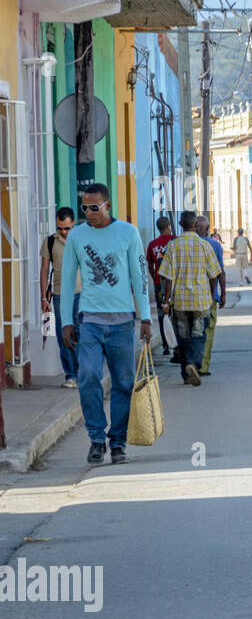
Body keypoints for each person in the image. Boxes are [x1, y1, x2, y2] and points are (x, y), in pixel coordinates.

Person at [60, 184, 152, 465]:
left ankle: (118, 442)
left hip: (123, 322)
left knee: (124, 383)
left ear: (107, 205)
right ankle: (96, 438)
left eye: (94, 208)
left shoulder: (127, 233)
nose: (89, 213)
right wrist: (66, 321)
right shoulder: (76, 235)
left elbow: (139, 276)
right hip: (89, 321)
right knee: (87, 376)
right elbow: (66, 281)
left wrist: (145, 316)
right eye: (84, 208)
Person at [158, 210, 222, 387]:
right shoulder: (205, 246)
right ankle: (194, 365)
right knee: (199, 335)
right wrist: (211, 295)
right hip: (201, 301)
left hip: (179, 302)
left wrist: (165, 300)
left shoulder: (173, 246)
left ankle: (186, 373)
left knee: (183, 337)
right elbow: (214, 274)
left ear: (180, 225)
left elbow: (167, 277)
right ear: (195, 226)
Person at [40, 206, 80, 386]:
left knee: (81, 334)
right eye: (60, 228)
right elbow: (44, 270)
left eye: (67, 228)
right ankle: (70, 374)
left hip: (81, 294)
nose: (63, 232)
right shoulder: (49, 242)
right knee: (64, 335)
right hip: (58, 295)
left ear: (73, 224)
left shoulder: (81, 240)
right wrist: (43, 298)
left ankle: (83, 372)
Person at [194, 215, 226, 376]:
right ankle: (203, 366)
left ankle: (192, 363)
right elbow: (219, 273)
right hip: (209, 297)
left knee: (192, 331)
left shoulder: (183, 244)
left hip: (189, 297)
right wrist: (222, 294)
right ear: (207, 229)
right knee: (208, 331)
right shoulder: (214, 245)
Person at [145, 216, 176, 357]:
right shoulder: (175, 240)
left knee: (162, 314)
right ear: (169, 226)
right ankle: (175, 343)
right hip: (174, 282)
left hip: (159, 283)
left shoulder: (152, 245)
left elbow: (150, 265)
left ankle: (165, 345)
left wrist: (155, 277)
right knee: (175, 313)